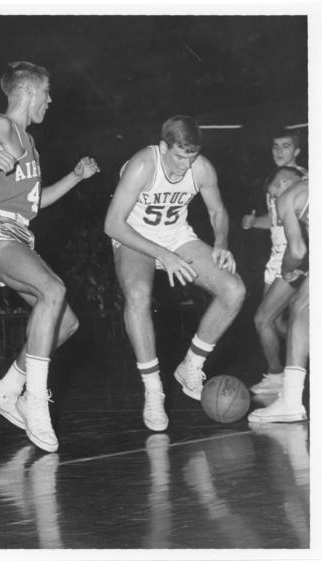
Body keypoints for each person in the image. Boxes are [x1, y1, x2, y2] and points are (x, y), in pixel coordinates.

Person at [0, 61, 100, 453]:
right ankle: (35, 401)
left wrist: (76, 177)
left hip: (19, 232)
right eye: (46, 92)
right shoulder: (0, 125)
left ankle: (7, 389)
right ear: (29, 91)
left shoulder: (29, 144)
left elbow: (35, 203)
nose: (50, 100)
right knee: (53, 288)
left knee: (66, 323)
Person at [104, 115, 245, 431]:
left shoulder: (202, 168)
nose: (186, 164)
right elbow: (112, 224)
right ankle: (154, 392)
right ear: (163, 146)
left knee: (233, 290)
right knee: (138, 296)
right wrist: (162, 256)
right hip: (134, 236)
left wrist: (221, 242)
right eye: (180, 156)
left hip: (175, 235)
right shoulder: (143, 165)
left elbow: (217, 211)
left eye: (191, 156)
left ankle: (191, 366)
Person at [242, 129, 307, 394]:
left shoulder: (301, 180)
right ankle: (298, 360)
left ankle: (277, 375)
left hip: (293, 256)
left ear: (297, 151)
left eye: (286, 146)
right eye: (275, 146)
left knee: (262, 320)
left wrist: (294, 263)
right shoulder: (277, 180)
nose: (280, 151)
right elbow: (278, 220)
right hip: (275, 255)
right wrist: (253, 222)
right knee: (278, 323)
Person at [248, 175, 308, 423]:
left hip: (291, 261)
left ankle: (290, 400)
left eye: (274, 193)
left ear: (284, 184)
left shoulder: (289, 198)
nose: (273, 199)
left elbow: (297, 251)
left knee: (298, 308)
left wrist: (287, 269)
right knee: (297, 311)